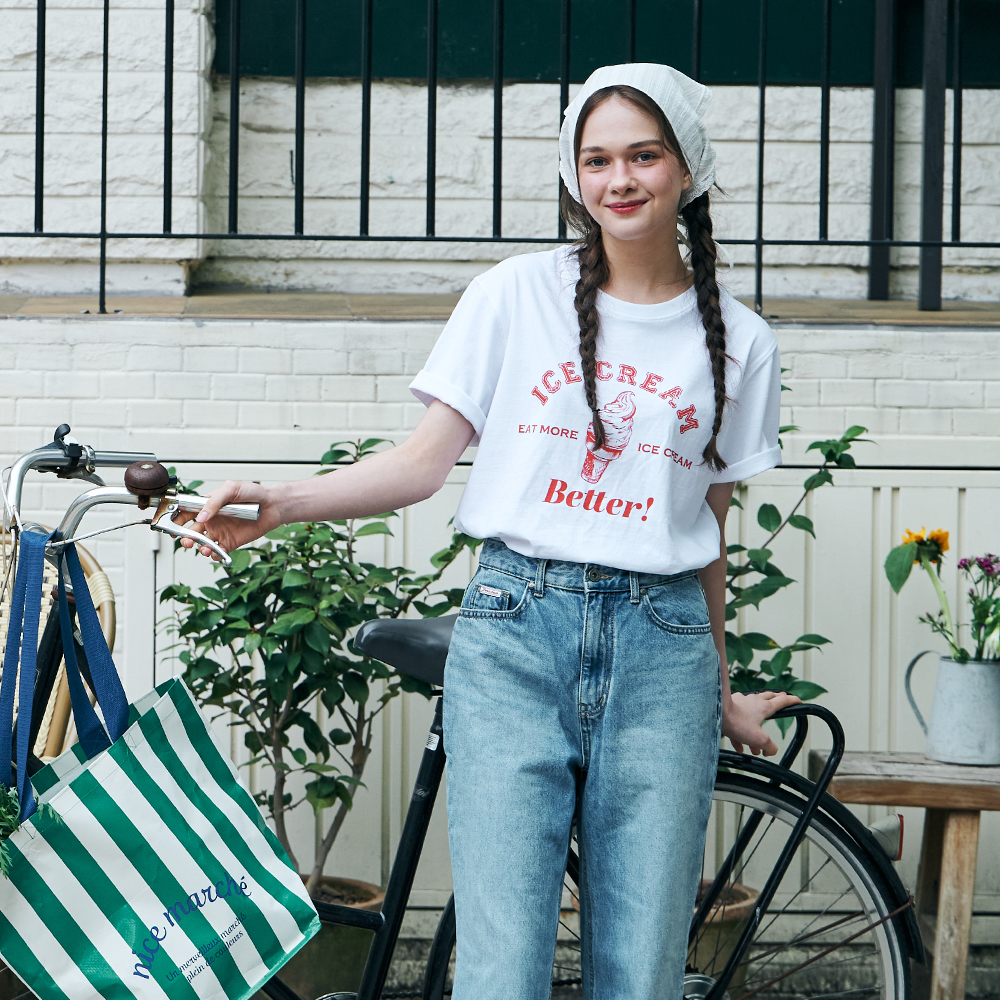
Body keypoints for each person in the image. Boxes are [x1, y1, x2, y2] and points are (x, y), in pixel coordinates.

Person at [184, 62, 800, 1000]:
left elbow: (708, 530)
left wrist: (719, 688)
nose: (618, 181)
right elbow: (422, 463)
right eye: (596, 160)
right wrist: (280, 502)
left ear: (688, 168)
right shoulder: (514, 296)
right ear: (573, 174)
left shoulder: (743, 342)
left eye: (644, 155)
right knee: (501, 970)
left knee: (640, 973)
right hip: (518, 630)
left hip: (662, 648)